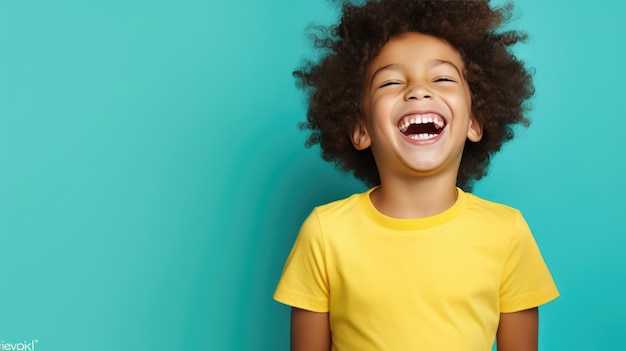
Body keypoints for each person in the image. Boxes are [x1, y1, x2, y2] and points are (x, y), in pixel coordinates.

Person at [274, 0, 559, 350]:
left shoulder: (508, 232)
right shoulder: (324, 234)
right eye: (390, 82)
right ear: (361, 128)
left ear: (474, 121)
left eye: (442, 78)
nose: (419, 90)